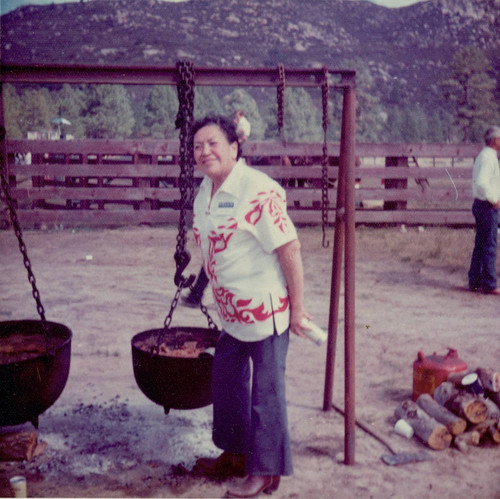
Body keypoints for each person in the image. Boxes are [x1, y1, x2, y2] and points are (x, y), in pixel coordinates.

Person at [189, 115, 310, 498]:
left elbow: (290, 250)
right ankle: (236, 454)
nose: (204, 151)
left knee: (266, 393)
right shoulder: (203, 192)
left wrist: (299, 309)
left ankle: (264, 472)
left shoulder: (258, 189)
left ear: (234, 147)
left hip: (266, 310)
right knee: (226, 382)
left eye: (212, 143)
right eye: (197, 146)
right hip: (231, 316)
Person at [182, 111, 252, 308]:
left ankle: (197, 293)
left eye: (213, 144)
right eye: (199, 146)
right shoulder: (207, 189)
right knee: (217, 251)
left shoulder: (247, 186)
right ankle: (198, 293)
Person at [468, 125, 500, 295]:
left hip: (481, 205)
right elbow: (481, 182)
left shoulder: (486, 156)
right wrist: (494, 199)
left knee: (481, 243)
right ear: (495, 140)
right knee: (489, 244)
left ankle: (474, 280)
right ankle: (489, 283)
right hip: (487, 206)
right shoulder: (488, 158)